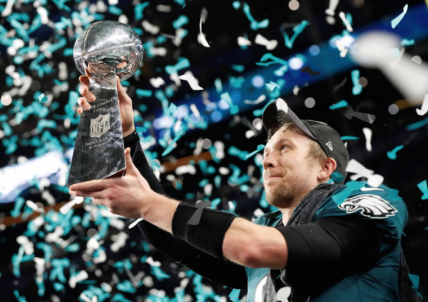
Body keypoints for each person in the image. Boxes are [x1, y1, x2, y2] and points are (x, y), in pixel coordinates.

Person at [71, 76, 421, 302]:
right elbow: (171, 234)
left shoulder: (367, 203)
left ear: (326, 168)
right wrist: (127, 135)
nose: (267, 160)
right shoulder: (267, 235)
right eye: (266, 152)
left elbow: (255, 247)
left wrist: (148, 204)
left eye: (284, 149)